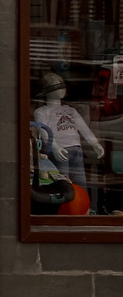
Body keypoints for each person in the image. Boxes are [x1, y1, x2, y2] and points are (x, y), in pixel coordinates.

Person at [35, 71, 105, 203]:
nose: (61, 89)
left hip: (76, 150)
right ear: (47, 92)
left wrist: (94, 143)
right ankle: (65, 211)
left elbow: (83, 128)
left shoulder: (70, 110)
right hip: (60, 150)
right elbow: (44, 130)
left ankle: (84, 209)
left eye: (62, 86)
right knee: (63, 184)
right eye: (56, 87)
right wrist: (54, 146)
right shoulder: (42, 112)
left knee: (80, 182)